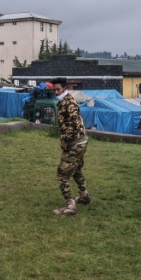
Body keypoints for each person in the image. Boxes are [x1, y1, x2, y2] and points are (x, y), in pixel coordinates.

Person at [51, 78, 90, 216]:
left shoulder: (69, 103)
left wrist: (66, 141)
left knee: (62, 174)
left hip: (75, 143)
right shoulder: (64, 102)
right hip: (80, 142)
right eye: (54, 90)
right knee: (76, 169)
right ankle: (84, 195)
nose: (56, 92)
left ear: (65, 88)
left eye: (58, 89)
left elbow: (74, 125)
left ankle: (70, 206)